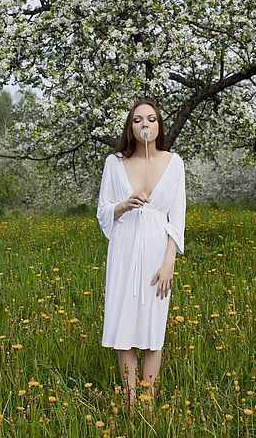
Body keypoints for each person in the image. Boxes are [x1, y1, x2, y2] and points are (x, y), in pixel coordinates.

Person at [96, 97, 186, 408]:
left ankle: (149, 402)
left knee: (152, 328)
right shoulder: (115, 162)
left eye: (150, 119)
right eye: (137, 120)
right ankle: (131, 401)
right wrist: (124, 205)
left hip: (156, 253)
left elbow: (177, 217)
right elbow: (103, 211)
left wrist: (169, 262)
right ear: (130, 127)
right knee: (123, 327)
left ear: (158, 125)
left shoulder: (174, 163)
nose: (144, 125)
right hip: (124, 250)